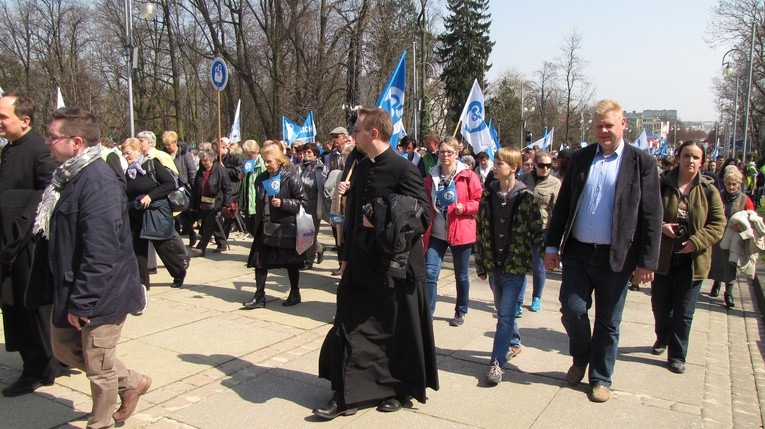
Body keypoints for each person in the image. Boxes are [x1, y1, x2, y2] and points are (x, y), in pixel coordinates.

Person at [315, 108, 438, 419]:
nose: (351, 135)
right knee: (349, 322)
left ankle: (398, 389)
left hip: (395, 267)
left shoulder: (403, 169)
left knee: (395, 332)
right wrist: (344, 256)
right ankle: (342, 393)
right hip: (360, 260)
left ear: (373, 133)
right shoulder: (360, 165)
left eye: (356, 130)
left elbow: (420, 216)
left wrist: (383, 222)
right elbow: (354, 214)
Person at [36, 107, 150, 427]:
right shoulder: (69, 176)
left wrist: (83, 300)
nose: (47, 142)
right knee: (65, 350)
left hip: (103, 291)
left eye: (53, 137)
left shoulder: (97, 181)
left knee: (99, 369)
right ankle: (133, 382)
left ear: (76, 142)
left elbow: (101, 252)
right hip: (73, 286)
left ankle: (100, 423)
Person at [544, 99, 662, 403]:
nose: (604, 131)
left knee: (608, 321)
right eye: (598, 126)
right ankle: (581, 357)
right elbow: (564, 206)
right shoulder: (581, 158)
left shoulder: (642, 163)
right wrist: (550, 245)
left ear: (623, 124)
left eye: (609, 125)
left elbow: (651, 215)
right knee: (571, 310)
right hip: (578, 253)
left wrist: (647, 261)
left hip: (617, 257)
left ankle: (600, 377)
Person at [0, 91, 60, 397]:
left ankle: (38, 367)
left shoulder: (38, 149)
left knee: (30, 308)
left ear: (25, 120)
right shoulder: (9, 150)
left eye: (3, 117)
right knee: (14, 308)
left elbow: (49, 193)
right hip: (10, 243)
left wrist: (11, 207)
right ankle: (41, 359)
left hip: (27, 245)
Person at [651, 140, 725, 373]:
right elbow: (647, 213)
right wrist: (662, 226)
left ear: (702, 161)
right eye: (686, 155)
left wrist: (696, 241)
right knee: (661, 307)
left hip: (693, 261)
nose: (690, 160)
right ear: (678, 157)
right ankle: (663, 336)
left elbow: (717, 224)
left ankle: (678, 355)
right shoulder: (662, 184)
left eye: (695, 157)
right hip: (663, 258)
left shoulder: (708, 190)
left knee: (684, 312)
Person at [474, 147, 544, 385]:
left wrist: (549, 255)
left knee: (504, 315)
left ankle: (496, 363)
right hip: (494, 265)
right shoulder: (488, 195)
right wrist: (481, 263)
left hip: (515, 267)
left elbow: (537, 231)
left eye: (500, 163)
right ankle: (513, 342)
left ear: (513, 168)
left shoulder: (526, 198)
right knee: (503, 310)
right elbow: (481, 229)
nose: (495, 166)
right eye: (494, 162)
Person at [423, 136, 482, 325]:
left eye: (449, 152)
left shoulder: (468, 176)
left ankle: (461, 309)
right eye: (442, 152)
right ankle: (428, 311)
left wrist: (464, 207)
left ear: (457, 154)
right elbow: (425, 201)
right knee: (430, 273)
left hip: (460, 232)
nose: (445, 155)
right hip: (436, 232)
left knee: (461, 274)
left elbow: (480, 202)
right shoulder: (431, 177)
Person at [243, 144, 308, 308]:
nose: (266, 165)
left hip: (284, 227)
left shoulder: (290, 177)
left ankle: (295, 292)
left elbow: (303, 202)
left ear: (278, 160)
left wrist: (284, 203)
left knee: (291, 263)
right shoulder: (261, 178)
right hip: (265, 226)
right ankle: (259, 296)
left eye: (269, 161)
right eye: (264, 161)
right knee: (260, 262)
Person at [121, 138, 189, 289]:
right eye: (123, 153)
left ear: (138, 151)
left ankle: (179, 272)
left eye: (128, 153)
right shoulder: (128, 172)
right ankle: (142, 285)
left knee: (163, 247)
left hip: (154, 213)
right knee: (138, 251)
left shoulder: (152, 165)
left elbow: (170, 184)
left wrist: (150, 196)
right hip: (136, 214)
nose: (125, 156)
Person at [520, 151, 561, 312]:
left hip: (542, 230)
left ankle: (536, 297)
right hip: (522, 228)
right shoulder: (524, 179)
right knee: (521, 266)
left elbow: (557, 209)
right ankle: (518, 301)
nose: (545, 168)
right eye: (542, 165)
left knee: (538, 266)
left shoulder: (554, 182)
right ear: (535, 164)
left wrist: (557, 235)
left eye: (549, 165)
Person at [708, 167, 753, 307]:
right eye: (729, 184)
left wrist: (742, 225)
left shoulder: (745, 199)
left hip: (735, 237)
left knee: (731, 263)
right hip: (719, 234)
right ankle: (716, 283)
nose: (731, 187)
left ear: (739, 184)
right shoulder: (718, 196)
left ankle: (729, 293)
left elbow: (752, 217)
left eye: (734, 184)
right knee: (717, 261)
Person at [189, 150, 234, 257]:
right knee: (213, 222)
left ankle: (201, 247)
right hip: (204, 202)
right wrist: (192, 204)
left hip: (217, 200)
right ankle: (222, 243)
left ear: (212, 159)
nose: (205, 163)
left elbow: (227, 188)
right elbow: (196, 188)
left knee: (209, 223)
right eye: (202, 161)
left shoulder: (220, 170)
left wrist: (227, 204)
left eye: (206, 160)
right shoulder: (201, 171)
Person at [212, 138, 244, 252]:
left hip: (233, 190)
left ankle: (222, 242)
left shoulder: (236, 157)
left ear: (225, 147)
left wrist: (223, 169)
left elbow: (238, 174)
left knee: (228, 216)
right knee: (215, 216)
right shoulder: (216, 158)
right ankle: (220, 241)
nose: (216, 152)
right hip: (220, 190)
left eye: (218, 149)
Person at [298, 143, 326, 270]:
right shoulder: (299, 167)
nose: (306, 154)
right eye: (304, 152)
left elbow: (321, 185)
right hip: (301, 203)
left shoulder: (320, 168)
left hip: (314, 203)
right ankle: (318, 249)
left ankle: (309, 260)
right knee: (302, 232)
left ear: (315, 153)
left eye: (309, 152)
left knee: (311, 233)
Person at [239, 139, 267, 236]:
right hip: (247, 198)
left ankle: (260, 248)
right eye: (246, 154)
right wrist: (242, 174)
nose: (247, 156)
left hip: (256, 199)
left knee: (257, 228)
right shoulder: (247, 163)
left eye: (249, 154)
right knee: (249, 226)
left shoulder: (262, 164)